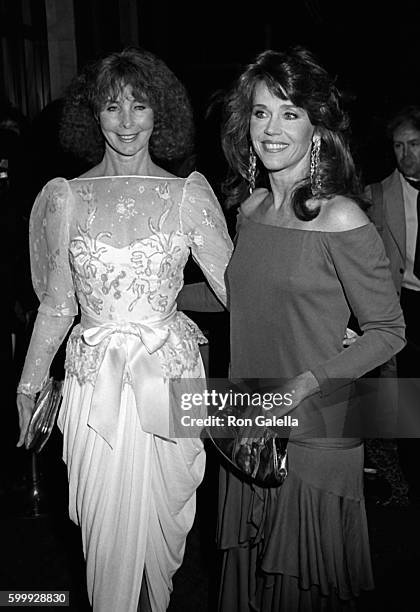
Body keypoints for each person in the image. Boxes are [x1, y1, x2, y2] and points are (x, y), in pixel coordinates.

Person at [16, 47, 233, 612]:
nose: (128, 122)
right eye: (113, 108)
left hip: (170, 377)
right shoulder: (65, 197)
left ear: (160, 114)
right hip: (93, 387)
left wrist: (321, 328)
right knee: (102, 536)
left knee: (163, 538)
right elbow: (58, 305)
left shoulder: (190, 193)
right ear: (94, 117)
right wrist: (28, 384)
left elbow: (240, 291)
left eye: (140, 106)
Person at [212, 47, 405, 610]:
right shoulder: (248, 210)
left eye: (290, 113)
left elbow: (388, 330)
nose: (271, 129)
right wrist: (144, 297)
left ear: (316, 127)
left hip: (314, 429)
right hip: (246, 421)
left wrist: (302, 385)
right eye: (260, 112)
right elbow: (239, 298)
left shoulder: (340, 215)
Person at [366, 105, 420, 504]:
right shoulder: (379, 195)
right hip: (408, 302)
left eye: (415, 143)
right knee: (408, 395)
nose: (407, 154)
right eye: (400, 146)